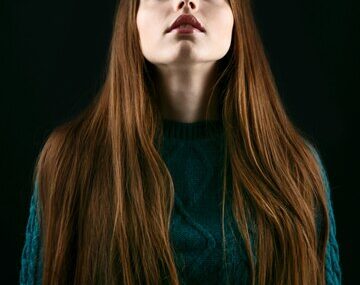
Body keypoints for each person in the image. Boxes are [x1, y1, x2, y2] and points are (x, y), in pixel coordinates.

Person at [19, 0, 342, 284]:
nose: (185, 2)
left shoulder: (295, 166)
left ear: (236, 17)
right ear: (130, 19)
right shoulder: (69, 161)